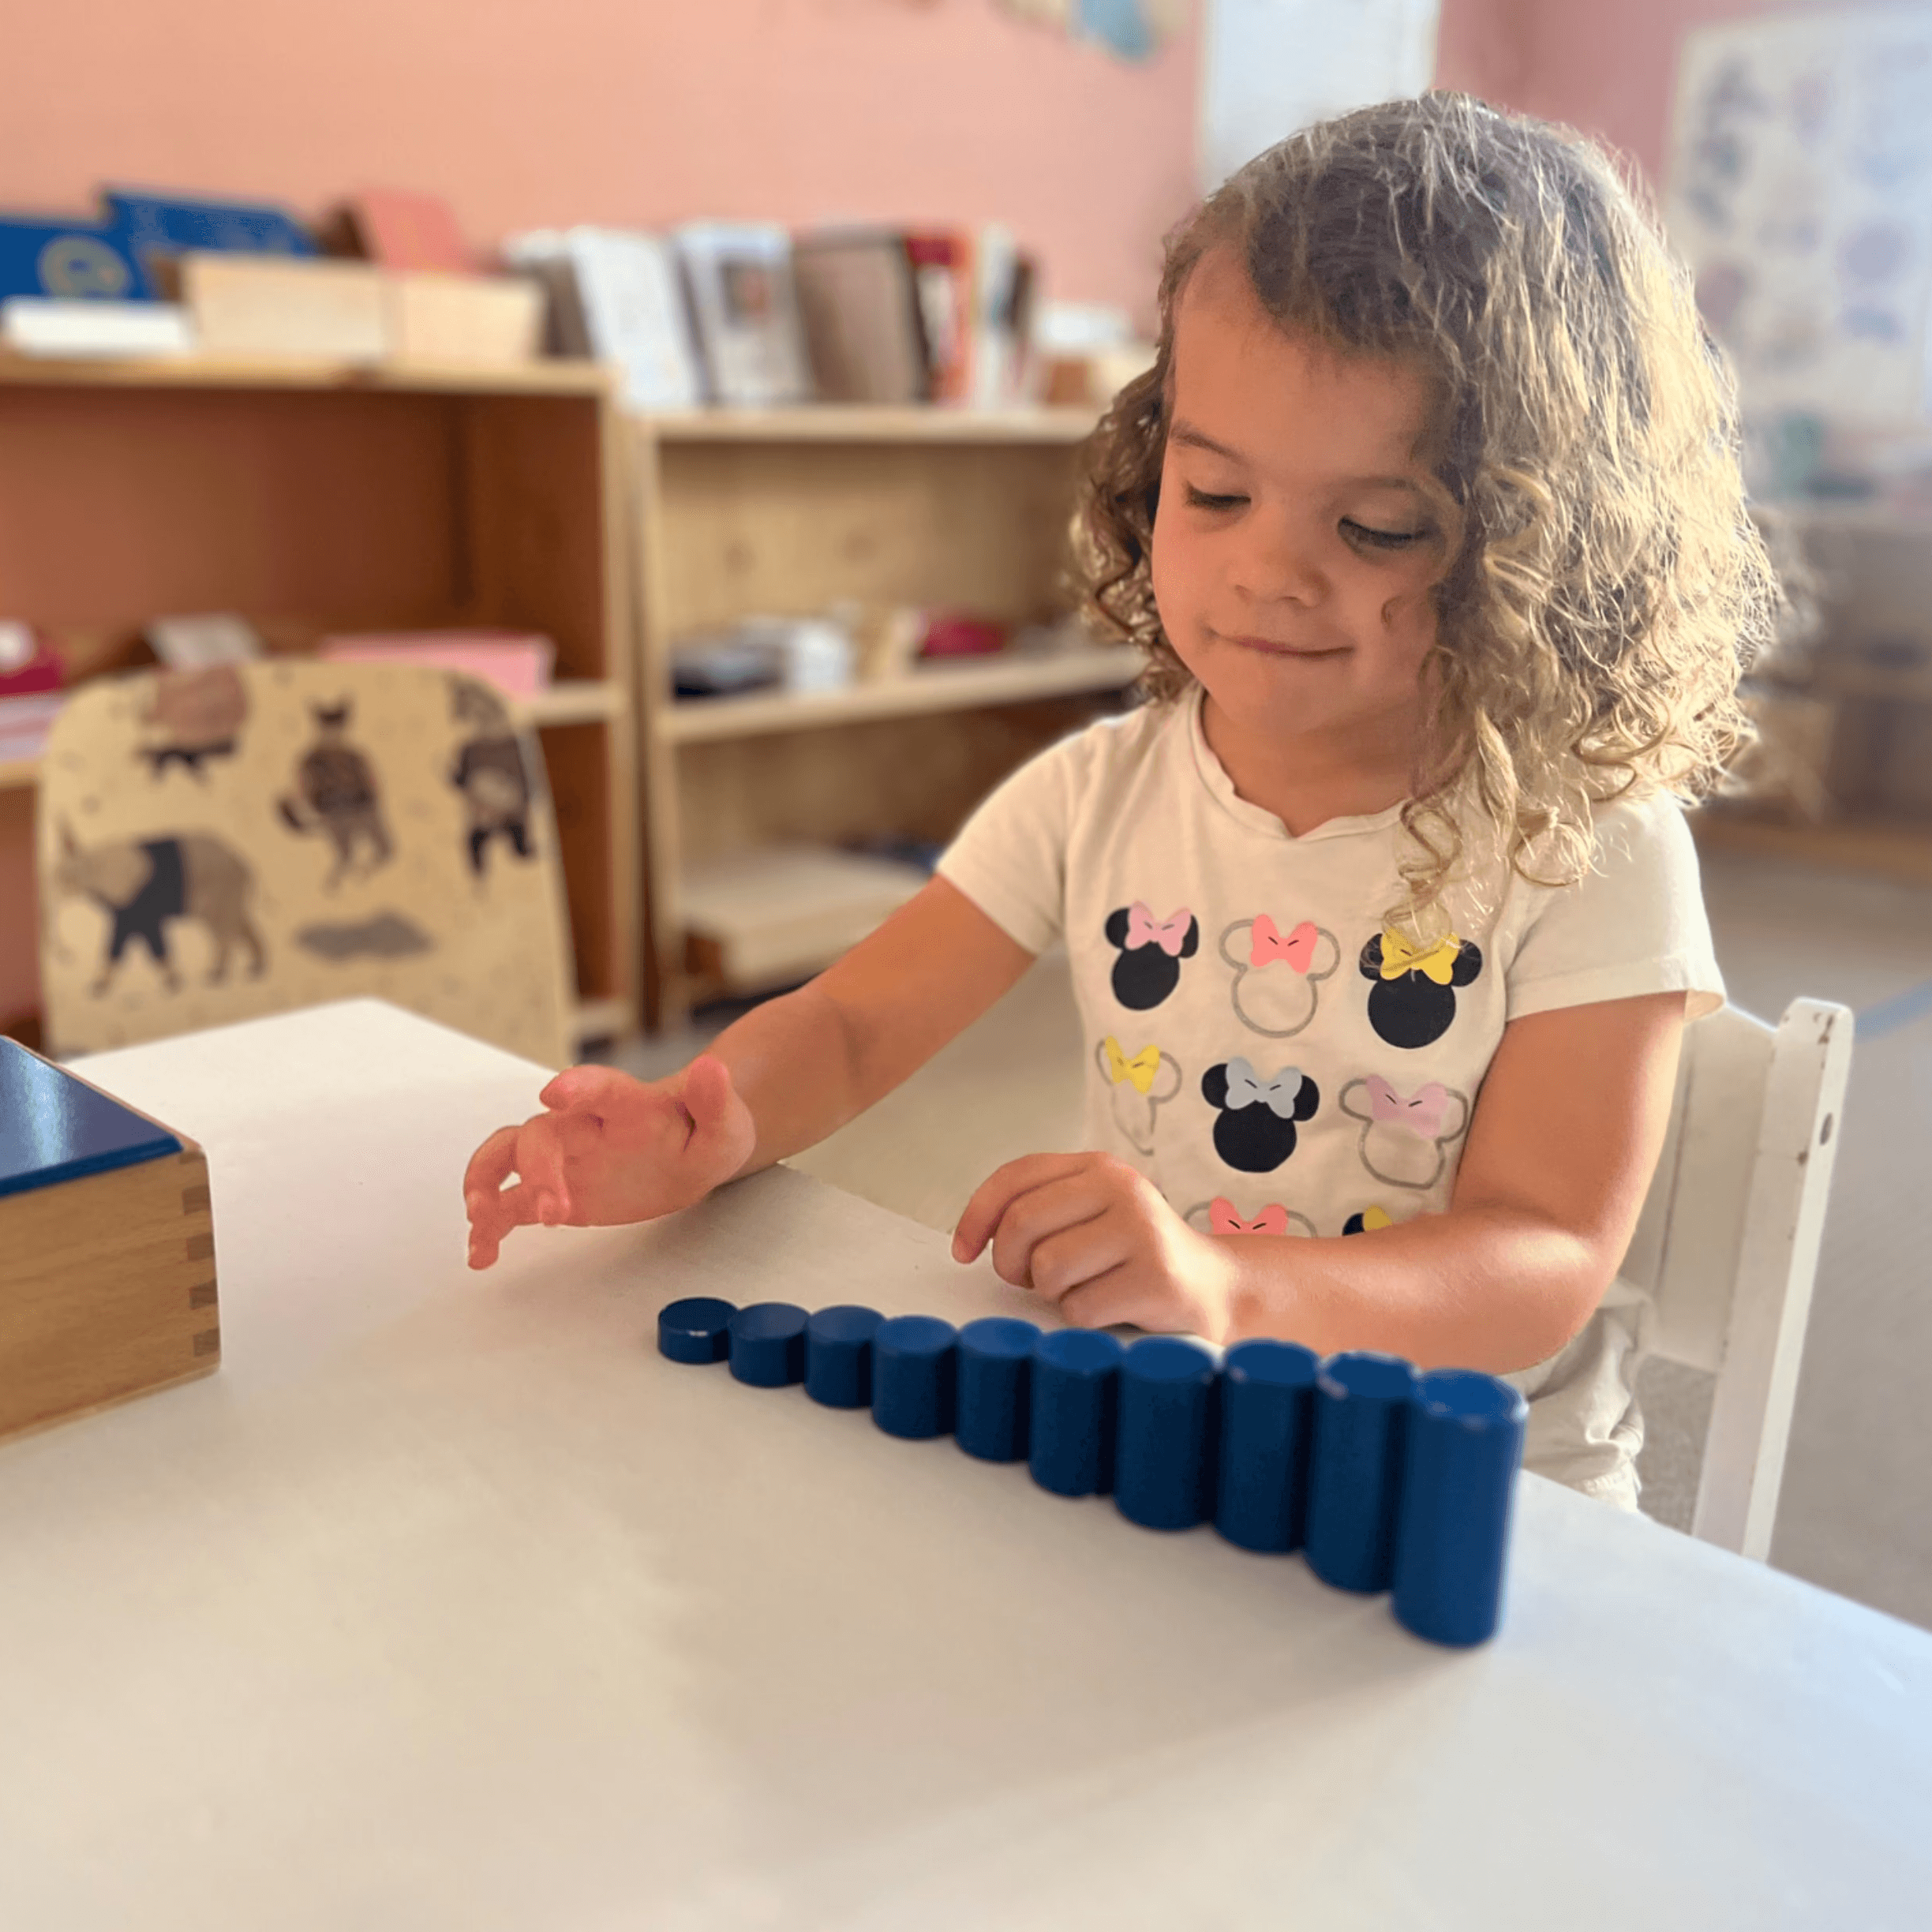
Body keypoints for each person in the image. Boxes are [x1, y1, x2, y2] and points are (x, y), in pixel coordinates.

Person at [462, 94, 1777, 1508]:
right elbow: (851, 1027)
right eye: (1214, 493)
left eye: (1377, 526)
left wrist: (1229, 1285)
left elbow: (1539, 1262)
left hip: (1470, 1488)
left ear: (1547, 546)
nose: (1268, 573)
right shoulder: (1102, 792)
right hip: (1167, 1422)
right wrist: (703, 1124)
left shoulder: (1589, 847)